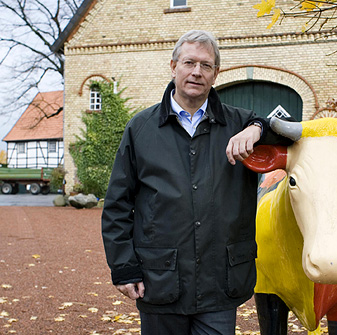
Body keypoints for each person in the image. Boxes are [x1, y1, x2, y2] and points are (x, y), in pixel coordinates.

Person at [101, 30, 288, 335]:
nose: (196, 72)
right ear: (173, 66)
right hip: (160, 280)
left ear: (217, 73)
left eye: (206, 65)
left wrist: (257, 129)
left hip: (219, 283)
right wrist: (123, 268)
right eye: (189, 63)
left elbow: (287, 135)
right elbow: (117, 206)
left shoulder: (239, 124)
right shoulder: (141, 128)